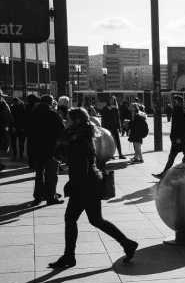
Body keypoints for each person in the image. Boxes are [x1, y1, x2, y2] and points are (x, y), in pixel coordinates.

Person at [48, 107, 138, 270]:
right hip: (89, 183)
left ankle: (70, 256)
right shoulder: (80, 135)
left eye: (68, 119)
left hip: (85, 184)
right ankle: (127, 243)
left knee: (73, 219)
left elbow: (81, 166)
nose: (66, 122)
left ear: (76, 121)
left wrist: (72, 184)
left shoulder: (79, 139)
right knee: (95, 220)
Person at [28, 94, 66, 204]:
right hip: (51, 149)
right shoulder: (53, 114)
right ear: (50, 103)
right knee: (52, 174)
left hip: (37, 148)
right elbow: (61, 131)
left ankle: (38, 197)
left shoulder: (34, 114)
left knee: (39, 174)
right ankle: (51, 197)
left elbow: (29, 131)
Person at [154, 95, 185, 180]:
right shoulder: (177, 110)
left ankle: (164, 174)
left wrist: (178, 137)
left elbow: (180, 126)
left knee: (177, 157)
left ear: (179, 102)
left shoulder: (180, 111)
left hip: (178, 139)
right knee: (177, 157)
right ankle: (164, 174)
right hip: (177, 138)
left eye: (175, 101)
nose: (173, 103)